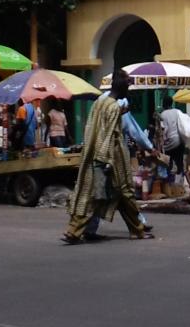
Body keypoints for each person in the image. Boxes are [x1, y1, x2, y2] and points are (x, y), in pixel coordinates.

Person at [63, 72, 150, 242]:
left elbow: (94, 127)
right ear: (122, 87)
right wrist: (106, 161)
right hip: (112, 160)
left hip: (95, 155)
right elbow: (109, 135)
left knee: (101, 196)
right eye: (128, 87)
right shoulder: (113, 107)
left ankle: (74, 231)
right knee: (123, 194)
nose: (128, 91)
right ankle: (137, 231)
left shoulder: (100, 103)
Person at [159, 95, 189, 180]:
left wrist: (162, 142)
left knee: (168, 163)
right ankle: (181, 181)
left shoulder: (163, 115)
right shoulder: (178, 111)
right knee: (180, 164)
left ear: (163, 104)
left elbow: (164, 130)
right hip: (180, 141)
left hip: (170, 143)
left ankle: (170, 181)